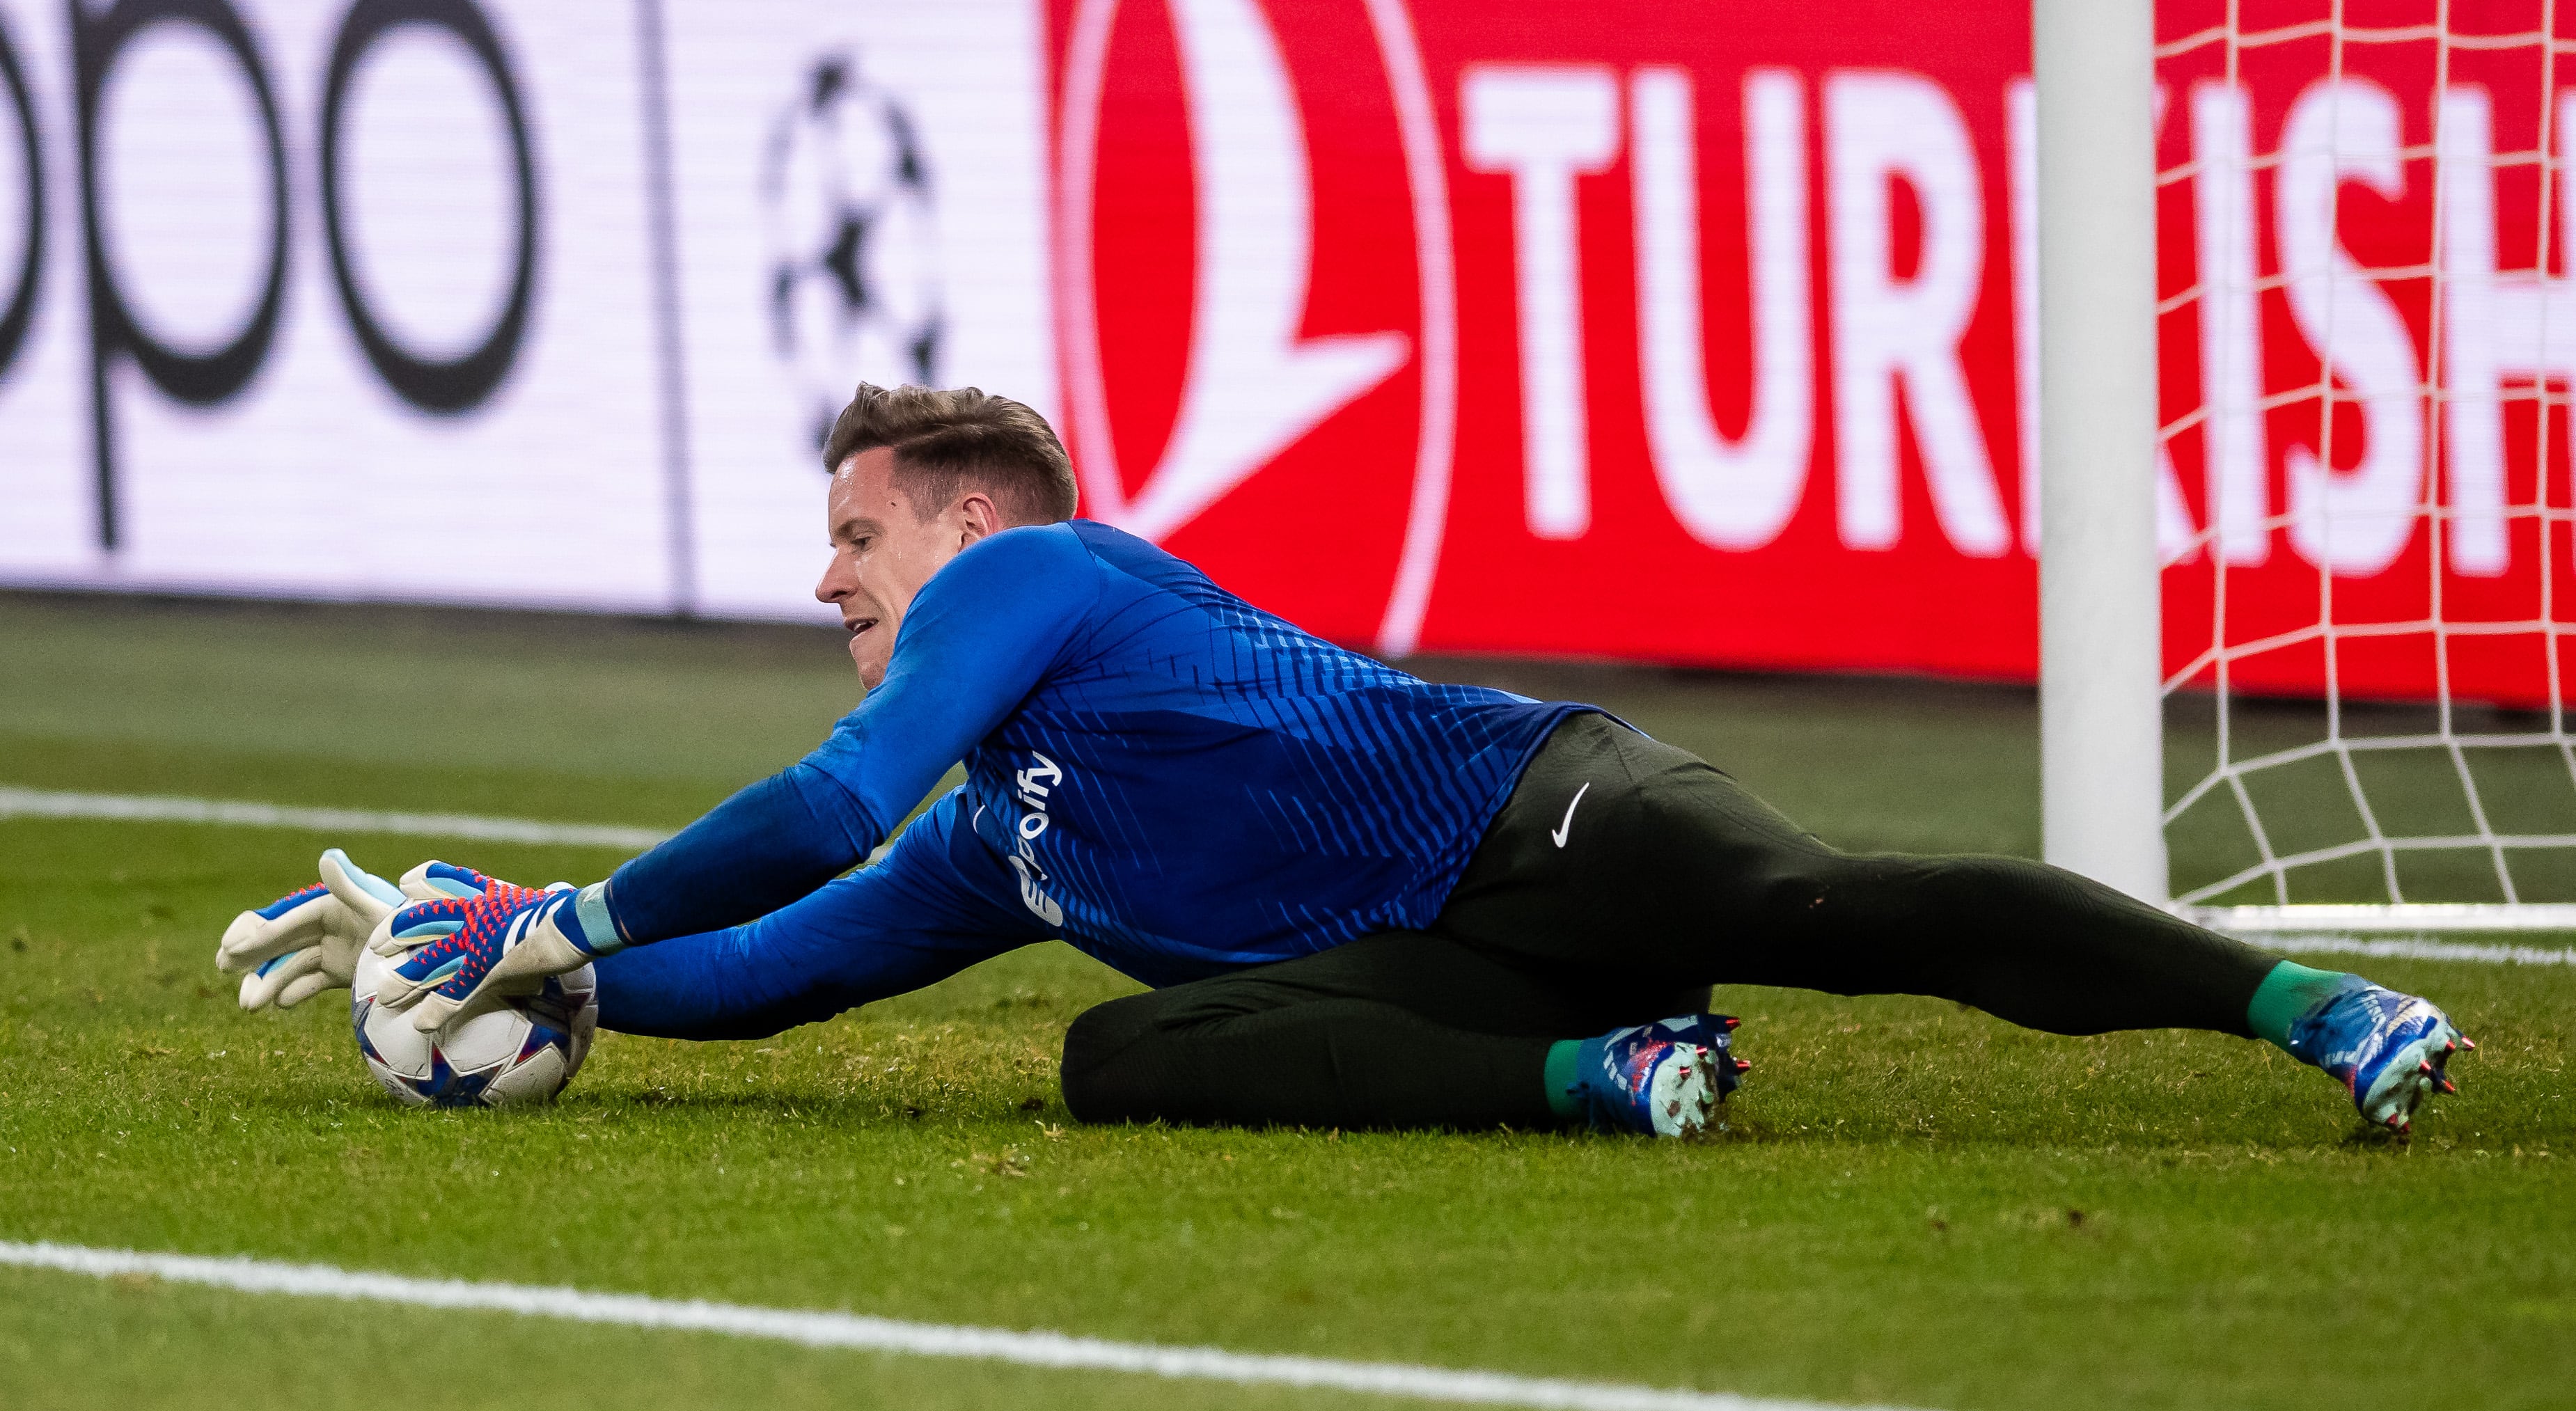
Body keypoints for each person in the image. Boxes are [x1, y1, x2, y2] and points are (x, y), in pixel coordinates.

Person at [217, 384, 2472, 1136]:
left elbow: (818, 803)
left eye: (853, 535)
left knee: (1825, 916)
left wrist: (562, 916)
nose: (832, 579)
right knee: (1114, 1063)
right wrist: (514, 958)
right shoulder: (1012, 833)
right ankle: (1609, 1076)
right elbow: (790, 955)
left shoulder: (1039, 575)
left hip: (1541, 803)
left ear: (969, 522)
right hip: (1452, 961)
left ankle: (2313, 1004)